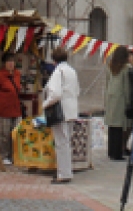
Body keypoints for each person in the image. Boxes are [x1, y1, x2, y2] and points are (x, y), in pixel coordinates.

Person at [44, 47, 80, 183]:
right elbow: (77, 90)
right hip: (71, 109)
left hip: (60, 110)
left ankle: (63, 173)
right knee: (66, 142)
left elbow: (55, 93)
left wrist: (45, 104)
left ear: (54, 60)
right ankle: (67, 171)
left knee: (61, 142)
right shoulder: (72, 71)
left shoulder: (58, 72)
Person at [0, 52, 23, 165]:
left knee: (16, 132)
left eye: (12, 61)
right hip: (2, 109)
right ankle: (4, 156)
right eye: (8, 61)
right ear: (4, 63)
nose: (11, 64)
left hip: (15, 108)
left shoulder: (17, 74)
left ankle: (14, 155)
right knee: (4, 134)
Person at [104, 46, 131, 161]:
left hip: (110, 97)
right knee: (119, 127)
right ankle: (117, 153)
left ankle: (111, 151)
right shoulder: (126, 68)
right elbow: (126, 86)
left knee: (112, 126)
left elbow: (107, 82)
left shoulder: (110, 65)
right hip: (120, 98)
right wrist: (129, 100)